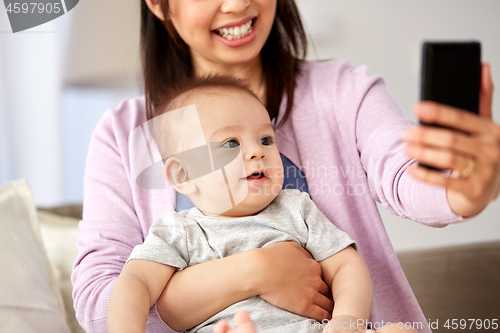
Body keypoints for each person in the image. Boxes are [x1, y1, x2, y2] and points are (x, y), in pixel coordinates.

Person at [71, 0, 499, 332]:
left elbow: (405, 175)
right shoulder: (126, 137)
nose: (238, 5)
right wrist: (257, 271)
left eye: (264, 139)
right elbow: (99, 302)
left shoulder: (343, 93)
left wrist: (463, 187)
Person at [107, 76, 373, 333]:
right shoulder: (177, 231)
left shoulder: (296, 208)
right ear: (183, 175)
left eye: (266, 139)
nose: (258, 151)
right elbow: (137, 282)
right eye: (231, 143)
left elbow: (346, 266)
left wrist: (348, 320)